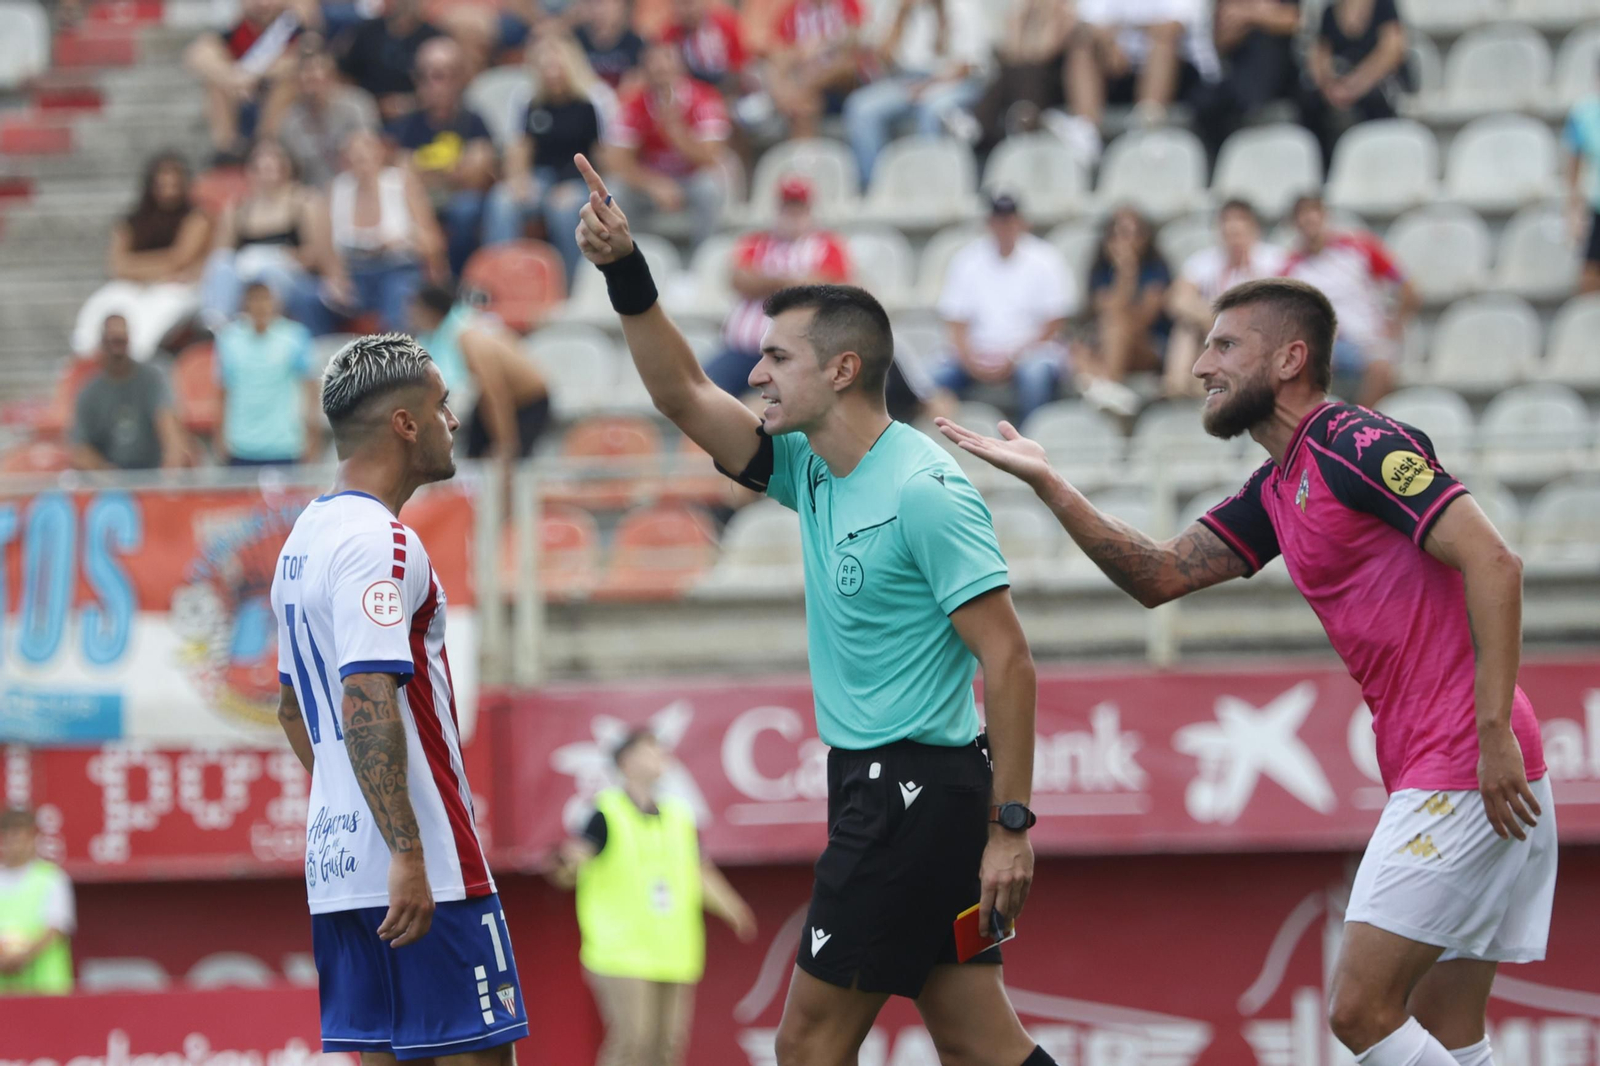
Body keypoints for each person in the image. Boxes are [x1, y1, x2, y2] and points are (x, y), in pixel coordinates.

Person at [937, 275, 1554, 1066]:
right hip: (1459, 765)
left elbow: (1496, 562)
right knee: (1447, 1034)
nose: (1200, 366)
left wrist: (1492, 732)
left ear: (1291, 358)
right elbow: (1159, 576)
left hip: (1468, 761)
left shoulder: (1355, 444)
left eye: (1225, 345)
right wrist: (1052, 484)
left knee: (1361, 1011)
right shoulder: (1280, 483)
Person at [574, 153, 1057, 1066]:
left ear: (841, 370)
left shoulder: (924, 488)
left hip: (911, 797)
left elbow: (1011, 661)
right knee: (977, 1039)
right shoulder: (810, 467)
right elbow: (681, 393)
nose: (755, 373)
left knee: (806, 1047)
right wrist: (623, 270)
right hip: (886, 790)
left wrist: (1012, 829)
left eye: (775, 356)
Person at [270, 333, 528, 1060]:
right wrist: (407, 850)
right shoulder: (379, 541)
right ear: (405, 423)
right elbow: (367, 693)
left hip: (339, 869)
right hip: (426, 870)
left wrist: (357, 819)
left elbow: (292, 709)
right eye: (442, 406)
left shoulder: (303, 540)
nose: (454, 419)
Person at [546, 729, 757, 1066]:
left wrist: (734, 909)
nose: (660, 755)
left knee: (668, 1047)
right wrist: (564, 865)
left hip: (673, 949)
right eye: (650, 750)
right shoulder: (605, 813)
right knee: (633, 1043)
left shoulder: (678, 815)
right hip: (621, 950)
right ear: (626, 762)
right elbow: (577, 858)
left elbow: (700, 871)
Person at [934, 192, 1074, 425]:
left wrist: (1014, 357)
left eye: (1009, 219)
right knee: (932, 379)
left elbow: (1054, 322)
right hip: (977, 353)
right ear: (989, 223)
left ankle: (1028, 443)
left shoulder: (1046, 259)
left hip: (1030, 351)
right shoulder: (967, 260)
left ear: (1022, 222)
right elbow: (955, 322)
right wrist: (970, 360)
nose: (1004, 226)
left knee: (1035, 374)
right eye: (999, 220)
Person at [706, 176, 852, 398]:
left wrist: (770, 281)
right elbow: (740, 279)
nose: (792, 216)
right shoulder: (757, 242)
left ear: (809, 210)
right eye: (787, 208)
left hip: (795, 354)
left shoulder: (826, 245)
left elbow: (830, 284)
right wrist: (790, 282)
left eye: (798, 209)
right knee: (704, 390)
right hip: (743, 348)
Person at [482, 35, 603, 282]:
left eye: (557, 67)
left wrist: (571, 186)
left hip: (577, 180)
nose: (552, 74)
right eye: (546, 68)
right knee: (503, 199)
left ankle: (573, 284)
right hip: (541, 177)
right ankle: (500, 280)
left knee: (566, 208)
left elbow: (599, 157)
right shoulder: (532, 106)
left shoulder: (588, 105)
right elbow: (521, 148)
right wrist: (519, 181)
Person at [72, 153, 212, 362]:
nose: (169, 189)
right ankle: (85, 359)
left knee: (155, 315)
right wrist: (157, 271)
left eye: (174, 183)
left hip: (178, 287)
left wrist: (138, 267)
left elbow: (180, 258)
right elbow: (117, 265)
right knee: (102, 304)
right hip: (136, 284)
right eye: (163, 184)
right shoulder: (132, 220)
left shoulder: (197, 217)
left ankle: (136, 361)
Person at [1283, 192, 1416, 407]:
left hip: (1365, 338)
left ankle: (1358, 425)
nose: (1309, 222)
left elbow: (1409, 288)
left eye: (1313, 215)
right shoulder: (1289, 268)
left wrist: (1396, 323)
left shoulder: (1361, 249)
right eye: (1302, 217)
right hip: (1324, 345)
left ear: (1324, 217)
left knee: (1381, 369)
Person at [316, 128, 447, 335]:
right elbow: (325, 246)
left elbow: (432, 241)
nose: (362, 161)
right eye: (355, 157)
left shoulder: (401, 182)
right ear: (345, 161)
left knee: (399, 296)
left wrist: (404, 238)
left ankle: (394, 360)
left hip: (397, 267)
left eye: (367, 153)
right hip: (355, 272)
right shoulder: (336, 189)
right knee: (315, 299)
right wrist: (335, 277)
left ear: (380, 154)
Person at [1056, 0, 1219, 165]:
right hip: (1119, 69)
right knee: (1081, 44)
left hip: (1186, 77)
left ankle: (1147, 124)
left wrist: (1117, 34)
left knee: (1164, 41)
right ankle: (1086, 132)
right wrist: (1108, 43)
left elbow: (1173, 26)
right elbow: (1085, 24)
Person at [841, 0, 990, 181]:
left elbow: (967, 66)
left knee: (933, 110)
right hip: (907, 80)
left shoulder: (963, 5)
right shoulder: (901, 7)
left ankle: (930, 185)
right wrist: (901, 15)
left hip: (956, 82)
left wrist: (928, 85)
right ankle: (876, 188)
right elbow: (884, 61)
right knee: (860, 107)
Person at [387, 36, 498, 277]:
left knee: (466, 209)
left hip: (458, 202)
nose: (430, 84)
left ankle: (461, 283)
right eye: (422, 76)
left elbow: (474, 175)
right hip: (419, 203)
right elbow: (401, 175)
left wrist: (425, 173)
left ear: (458, 79)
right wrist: (450, 172)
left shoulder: (474, 120)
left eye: (439, 75)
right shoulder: (407, 124)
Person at [603, 39, 731, 247]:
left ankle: (703, 259)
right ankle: (630, 257)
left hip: (692, 178)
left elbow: (711, 157)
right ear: (644, 69)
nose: (660, 67)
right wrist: (654, 184)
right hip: (650, 180)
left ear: (681, 65)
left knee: (710, 188)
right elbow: (616, 161)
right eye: (653, 62)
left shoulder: (705, 99)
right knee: (614, 191)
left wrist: (676, 131)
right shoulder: (633, 103)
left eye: (666, 60)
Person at [198, 138, 333, 329]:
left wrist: (282, 256)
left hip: (291, 275)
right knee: (221, 265)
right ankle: (217, 324)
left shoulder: (305, 202)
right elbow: (221, 253)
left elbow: (318, 254)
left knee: (266, 272)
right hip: (246, 277)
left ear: (287, 168)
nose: (266, 174)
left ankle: (266, 324)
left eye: (273, 166)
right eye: (260, 167)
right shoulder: (237, 208)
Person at [409, 285, 552, 460]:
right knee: (474, 457)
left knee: (513, 461)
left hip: (530, 401)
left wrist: (506, 445)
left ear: (430, 312)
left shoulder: (469, 338)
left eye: (416, 312)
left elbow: (494, 393)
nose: (412, 319)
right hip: (503, 397)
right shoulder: (454, 334)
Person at [1164, 199, 1287, 398]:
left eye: (1238, 233)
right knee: (1185, 326)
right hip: (1212, 327)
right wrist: (1209, 317)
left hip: (1256, 328)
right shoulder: (1203, 261)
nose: (1234, 239)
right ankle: (1175, 387)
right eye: (1228, 233)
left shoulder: (1274, 260)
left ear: (1253, 230)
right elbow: (1177, 299)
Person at [1073, 205, 1170, 417]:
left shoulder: (1155, 270)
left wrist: (1128, 271)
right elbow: (1107, 310)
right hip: (1110, 342)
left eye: (1131, 233)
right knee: (1079, 348)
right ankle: (1112, 393)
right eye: (1116, 234)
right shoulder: (1100, 271)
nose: (1124, 242)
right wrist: (1123, 275)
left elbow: (1143, 320)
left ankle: (1104, 386)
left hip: (1149, 346)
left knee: (1116, 326)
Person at [215, 282, 322, 466]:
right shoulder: (229, 340)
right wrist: (219, 436)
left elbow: (311, 389)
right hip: (240, 445)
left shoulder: (295, 337)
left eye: (265, 299)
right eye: (254, 300)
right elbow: (223, 391)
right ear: (245, 304)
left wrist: (312, 436)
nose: (260, 306)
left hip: (285, 445)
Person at [183, 0, 304, 157]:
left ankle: (267, 147)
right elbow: (196, 55)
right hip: (240, 95)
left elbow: (297, 59)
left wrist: (253, 76)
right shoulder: (236, 29)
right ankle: (227, 152)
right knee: (215, 84)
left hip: (282, 108)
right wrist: (234, 78)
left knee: (289, 83)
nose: (263, 4)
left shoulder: (292, 27)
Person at [70, 315, 189, 472]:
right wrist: (105, 471)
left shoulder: (152, 380)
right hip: (110, 477)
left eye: (121, 341)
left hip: (151, 471)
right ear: (102, 343)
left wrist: (172, 462)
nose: (116, 350)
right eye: (112, 342)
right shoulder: (89, 392)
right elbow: (80, 446)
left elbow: (167, 422)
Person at [1302, 0, 1409, 168]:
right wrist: (1330, 87)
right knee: (1310, 104)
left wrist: (1356, 85)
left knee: (1372, 102)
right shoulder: (1329, 12)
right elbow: (1320, 57)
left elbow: (1391, 52)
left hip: (1374, 84)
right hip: (1339, 88)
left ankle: (1376, 164)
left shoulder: (1384, 6)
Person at [965, 0, 1075, 160]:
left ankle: (979, 123)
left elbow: (1044, 53)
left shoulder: (1065, 11)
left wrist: (1046, 14)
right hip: (1023, 81)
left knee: (1023, 71)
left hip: (1052, 83)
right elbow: (1012, 53)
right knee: (1011, 70)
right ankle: (980, 126)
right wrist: (1020, 18)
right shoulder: (1024, 12)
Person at [1193, 0, 1301, 159]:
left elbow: (1296, 21)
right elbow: (1220, 42)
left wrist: (1249, 15)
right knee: (1203, 103)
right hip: (1236, 75)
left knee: (1266, 47)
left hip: (1281, 75)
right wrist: (1263, 15)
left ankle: (1254, 110)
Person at [281, 43, 381, 189]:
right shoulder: (289, 122)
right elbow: (290, 173)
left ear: (331, 75)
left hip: (357, 188)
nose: (309, 78)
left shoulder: (357, 104)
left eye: (315, 73)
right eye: (304, 75)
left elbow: (371, 152)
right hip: (314, 196)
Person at [766, 0, 870, 139]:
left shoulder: (846, 4)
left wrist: (828, 43)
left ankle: (803, 93)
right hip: (812, 83)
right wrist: (802, 52)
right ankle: (807, 150)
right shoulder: (791, 13)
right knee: (803, 102)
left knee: (844, 65)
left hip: (848, 79)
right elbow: (780, 56)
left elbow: (857, 41)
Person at [0, 807, 74, 996]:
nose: (14, 844)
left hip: (45, 991)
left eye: (19, 837)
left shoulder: (51, 878)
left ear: (32, 839)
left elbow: (56, 928)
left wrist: (20, 958)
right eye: (8, 837)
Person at [336, 0, 444, 123]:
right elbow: (346, 76)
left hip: (421, 114)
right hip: (369, 112)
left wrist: (410, 103)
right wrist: (371, 104)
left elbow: (445, 84)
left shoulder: (433, 38)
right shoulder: (367, 32)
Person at [1563, 61, 1600, 295]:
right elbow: (1574, 168)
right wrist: (1573, 212)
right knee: (1589, 277)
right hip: (1598, 207)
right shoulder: (1583, 115)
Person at [575, 0, 648, 90]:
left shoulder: (635, 44)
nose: (599, 11)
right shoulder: (576, 41)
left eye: (605, 4)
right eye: (593, 4)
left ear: (621, 7)